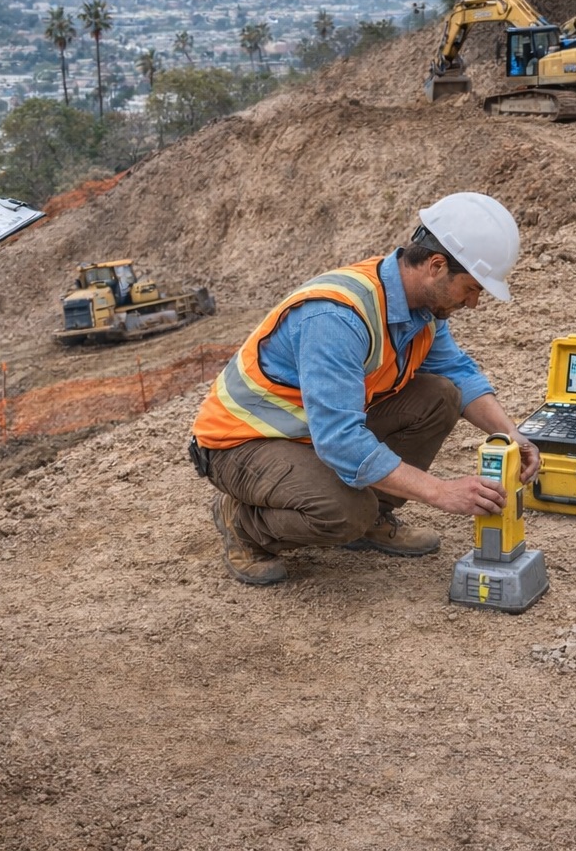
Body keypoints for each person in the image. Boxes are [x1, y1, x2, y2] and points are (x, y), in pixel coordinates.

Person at [189, 192, 542, 586]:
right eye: (471, 288)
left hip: (309, 433)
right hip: (242, 442)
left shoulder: (423, 310)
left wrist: (511, 434)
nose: (473, 303)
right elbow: (340, 441)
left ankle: (373, 516)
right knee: (345, 511)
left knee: (440, 395)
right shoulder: (337, 317)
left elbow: (457, 373)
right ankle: (242, 523)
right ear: (436, 266)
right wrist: (440, 492)